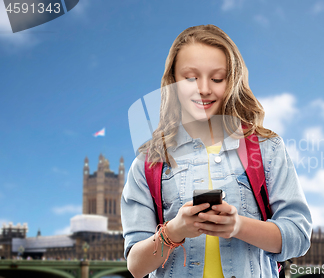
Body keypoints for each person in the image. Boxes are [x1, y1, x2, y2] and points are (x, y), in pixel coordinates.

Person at [121, 24, 312, 278]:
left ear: (231, 81)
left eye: (217, 78)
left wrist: (238, 226)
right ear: (173, 83)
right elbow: (136, 265)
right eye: (190, 78)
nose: (204, 88)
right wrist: (175, 230)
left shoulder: (267, 149)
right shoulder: (150, 162)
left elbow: (298, 236)